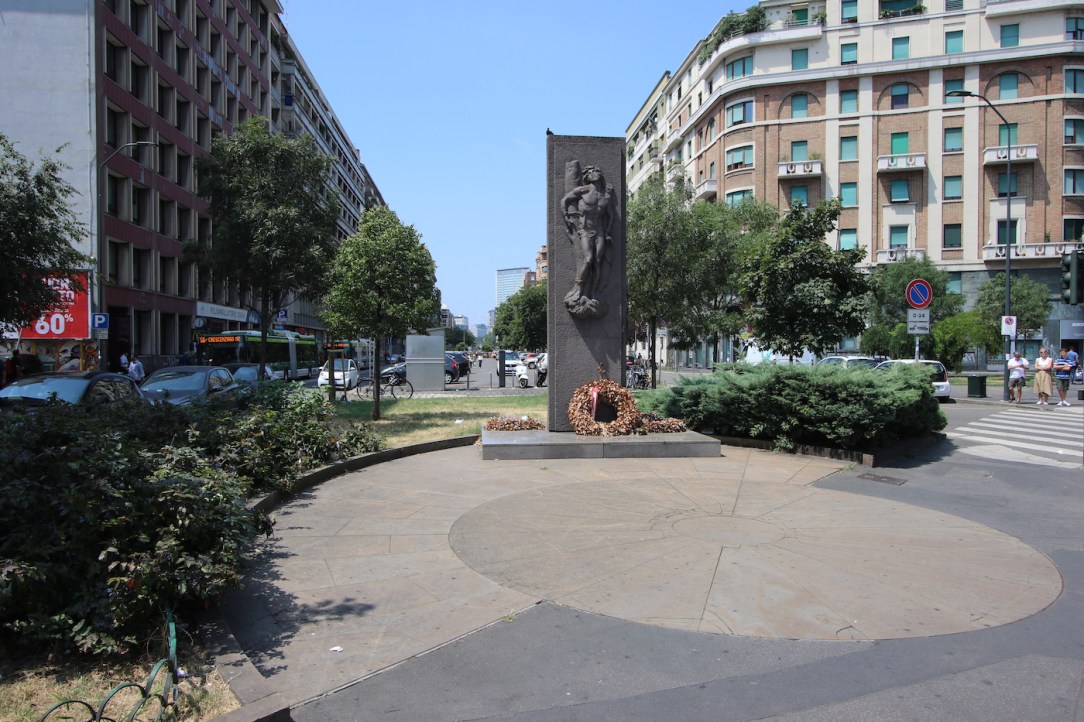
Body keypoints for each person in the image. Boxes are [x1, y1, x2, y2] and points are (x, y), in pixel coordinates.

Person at [561, 164, 615, 316]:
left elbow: (610, 216)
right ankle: (578, 288)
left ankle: (594, 292)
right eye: (592, 172)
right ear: (588, 177)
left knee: (597, 262)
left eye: (597, 171)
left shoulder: (606, 196)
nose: (596, 173)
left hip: (600, 232)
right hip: (585, 231)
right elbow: (565, 200)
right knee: (588, 259)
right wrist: (565, 215)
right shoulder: (583, 190)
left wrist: (608, 232)